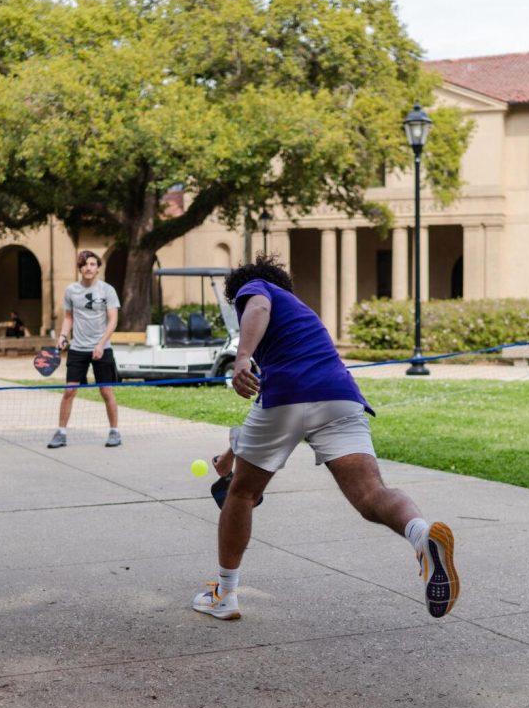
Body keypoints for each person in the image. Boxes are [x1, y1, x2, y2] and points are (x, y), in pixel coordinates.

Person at [191, 255, 457, 622]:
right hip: (339, 395)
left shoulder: (257, 290)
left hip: (287, 395)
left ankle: (225, 593)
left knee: (242, 493)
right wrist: (231, 451)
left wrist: (241, 359)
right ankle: (422, 535)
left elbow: (258, 308)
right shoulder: (300, 311)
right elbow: (280, 406)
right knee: (371, 495)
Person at [46, 250, 122, 449]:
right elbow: (69, 317)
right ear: (80, 268)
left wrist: (101, 344)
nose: (88, 267)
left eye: (92, 264)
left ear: (97, 267)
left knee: (106, 391)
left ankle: (114, 431)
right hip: (78, 348)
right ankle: (61, 433)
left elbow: (113, 319)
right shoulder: (71, 291)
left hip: (102, 348)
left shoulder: (107, 290)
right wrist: (63, 336)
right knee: (69, 391)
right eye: (84, 264)